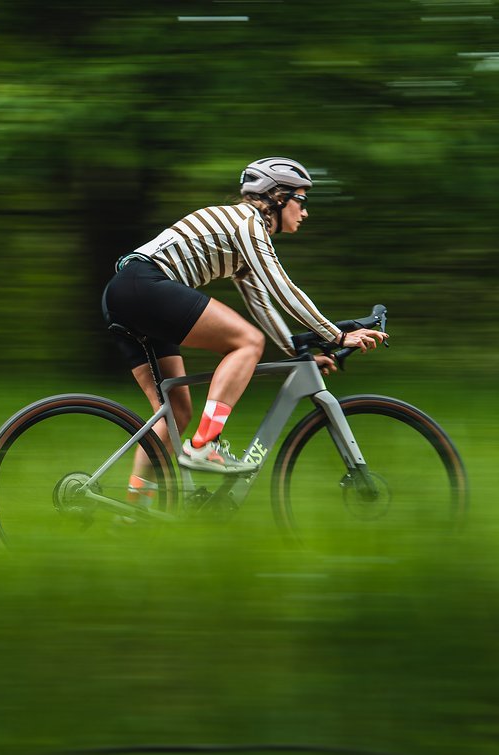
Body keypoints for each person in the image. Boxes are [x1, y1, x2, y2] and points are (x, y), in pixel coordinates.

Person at [101, 156, 388, 506]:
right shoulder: (248, 223)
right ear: (278, 197)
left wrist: (300, 355)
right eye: (301, 200)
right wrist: (337, 336)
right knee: (248, 342)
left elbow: (263, 305)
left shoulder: (242, 237)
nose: (305, 212)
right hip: (144, 285)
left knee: (175, 413)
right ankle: (205, 444)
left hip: (126, 293)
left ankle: (132, 510)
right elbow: (283, 288)